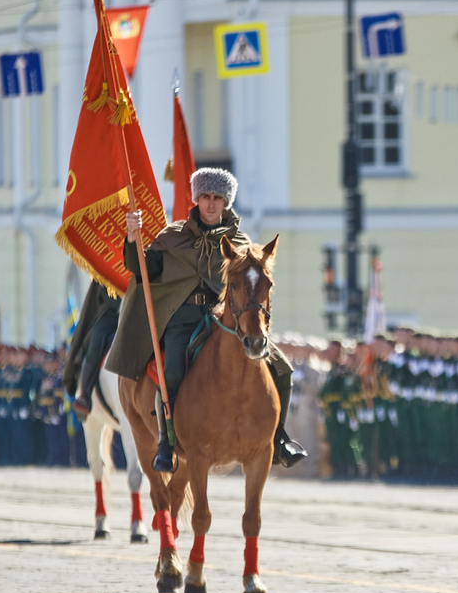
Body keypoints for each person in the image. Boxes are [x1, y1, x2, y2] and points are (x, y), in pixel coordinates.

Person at [105, 167, 306, 472]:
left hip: (228, 319)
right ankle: (167, 443)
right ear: (197, 199)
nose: (211, 204)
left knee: (282, 368)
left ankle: (278, 439)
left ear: (226, 202)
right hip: (182, 318)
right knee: (170, 371)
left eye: (218, 198)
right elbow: (139, 268)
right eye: (205, 197)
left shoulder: (240, 241)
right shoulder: (172, 237)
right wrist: (133, 236)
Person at [62, 278, 121, 417]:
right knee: (96, 340)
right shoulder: (110, 257)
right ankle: (85, 394)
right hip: (112, 314)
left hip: (144, 310)